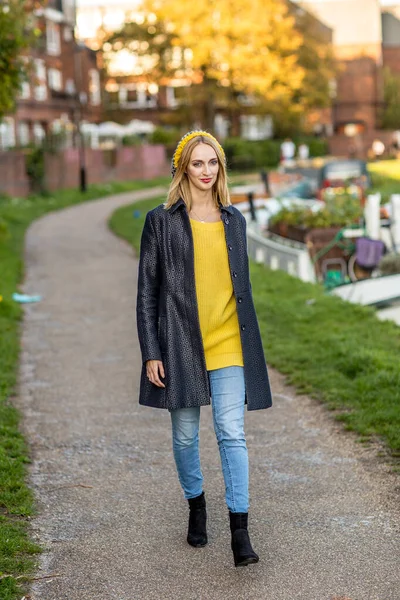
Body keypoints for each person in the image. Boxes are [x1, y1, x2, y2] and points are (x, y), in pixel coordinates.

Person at [136, 130, 272, 567]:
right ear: (183, 168)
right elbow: (147, 293)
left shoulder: (235, 220)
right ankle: (196, 504)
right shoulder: (161, 221)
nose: (206, 171)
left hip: (229, 341)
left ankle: (240, 531)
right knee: (185, 434)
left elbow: (240, 286)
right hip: (180, 344)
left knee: (232, 433)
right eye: (197, 163)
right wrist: (151, 350)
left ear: (221, 167)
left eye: (212, 162)